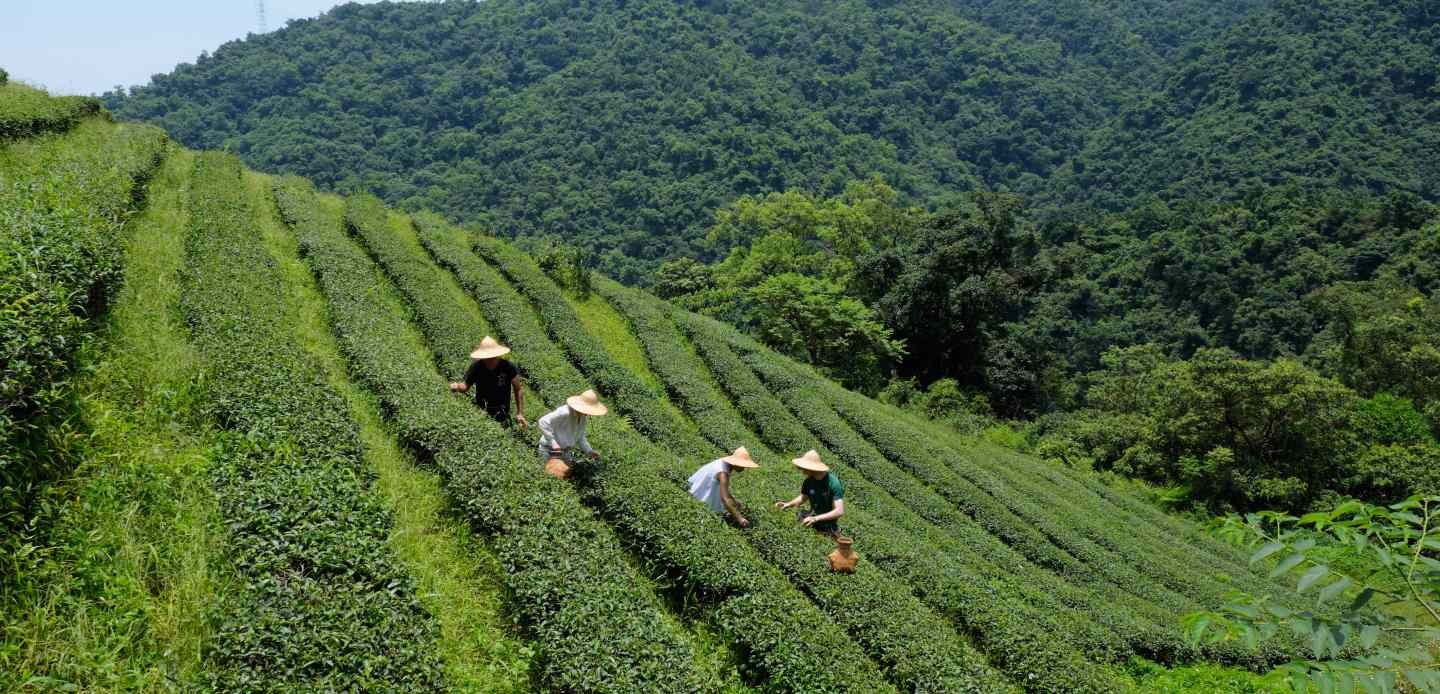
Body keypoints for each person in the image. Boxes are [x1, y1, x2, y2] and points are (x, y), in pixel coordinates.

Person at [449, 336, 527, 428]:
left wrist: (520, 413)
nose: (490, 360)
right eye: (487, 357)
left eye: (492, 357)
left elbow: (518, 389)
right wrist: (457, 386)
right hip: (482, 410)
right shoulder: (477, 367)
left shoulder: (508, 367)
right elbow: (465, 386)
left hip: (502, 410)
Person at [535, 389, 608, 478]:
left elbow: (580, 437)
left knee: (565, 478)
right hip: (550, 450)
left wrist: (590, 451)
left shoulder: (582, 418)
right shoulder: (565, 412)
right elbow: (543, 421)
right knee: (548, 477)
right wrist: (553, 442)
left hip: (566, 452)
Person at [774, 450, 845, 537]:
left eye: (805, 467)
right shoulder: (809, 481)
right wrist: (787, 504)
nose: (802, 470)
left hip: (828, 526)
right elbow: (803, 497)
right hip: (812, 518)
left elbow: (839, 511)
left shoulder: (833, 483)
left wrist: (815, 518)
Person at [687, 446, 760, 527]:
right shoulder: (723, 473)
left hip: (697, 492)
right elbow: (725, 499)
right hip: (698, 499)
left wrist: (734, 501)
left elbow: (724, 491)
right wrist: (740, 518)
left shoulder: (723, 463)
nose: (744, 468)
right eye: (742, 465)